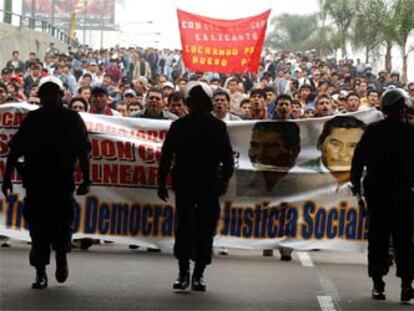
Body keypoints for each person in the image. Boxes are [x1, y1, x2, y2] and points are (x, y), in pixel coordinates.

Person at [2, 76, 91, 289]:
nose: (49, 99)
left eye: (53, 95)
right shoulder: (33, 119)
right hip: (37, 182)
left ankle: (61, 256)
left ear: (61, 96)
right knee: (38, 230)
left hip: (61, 182)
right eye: (45, 96)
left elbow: (82, 151)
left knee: (61, 225)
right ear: (40, 98)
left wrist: (87, 178)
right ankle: (40, 271)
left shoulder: (72, 119)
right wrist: (6, 177)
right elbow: (15, 150)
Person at [157, 81, 234, 292]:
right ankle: (183, 272)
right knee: (184, 228)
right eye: (195, 100)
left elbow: (227, 159)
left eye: (202, 100)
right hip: (184, 183)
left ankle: (199, 273)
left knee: (205, 229)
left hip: (209, 184)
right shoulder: (179, 126)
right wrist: (161, 181)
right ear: (189, 103)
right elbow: (166, 155)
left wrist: (224, 180)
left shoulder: (218, 127)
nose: (198, 104)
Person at [351, 88, 414, 302]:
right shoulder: (409, 132)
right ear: (401, 108)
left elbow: (357, 162)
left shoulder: (373, 131)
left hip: (378, 196)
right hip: (402, 197)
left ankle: (378, 284)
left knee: (377, 240)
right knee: (404, 241)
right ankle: (406, 284)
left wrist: (357, 191)